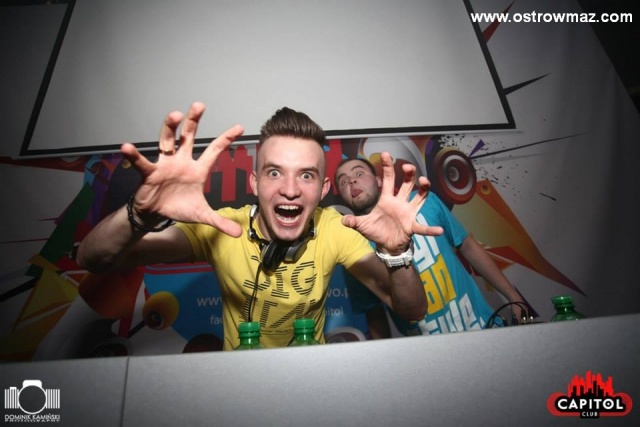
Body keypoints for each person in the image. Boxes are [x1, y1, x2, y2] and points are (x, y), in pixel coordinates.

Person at [76, 102, 444, 350]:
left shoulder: (335, 229)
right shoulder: (223, 227)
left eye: (306, 175)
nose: (290, 189)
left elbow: (412, 311)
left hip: (311, 377)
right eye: (274, 173)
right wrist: (140, 214)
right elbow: (93, 259)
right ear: (254, 184)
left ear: (323, 190)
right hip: (240, 381)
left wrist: (398, 254)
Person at [334, 157, 526, 337]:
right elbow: (374, 312)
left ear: (378, 181)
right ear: (342, 196)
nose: (351, 181)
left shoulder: (423, 202)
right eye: (343, 181)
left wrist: (513, 297)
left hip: (482, 327)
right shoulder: (353, 250)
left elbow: (467, 245)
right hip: (426, 352)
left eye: (359, 173)